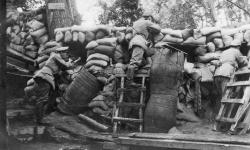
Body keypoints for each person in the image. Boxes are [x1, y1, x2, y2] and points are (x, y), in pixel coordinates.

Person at [24, 47, 78, 123]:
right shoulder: (56, 56)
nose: (66, 55)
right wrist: (71, 62)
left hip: (43, 76)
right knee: (42, 99)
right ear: (61, 52)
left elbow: (63, 68)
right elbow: (66, 65)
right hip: (45, 76)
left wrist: (72, 63)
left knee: (38, 94)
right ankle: (38, 120)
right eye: (65, 53)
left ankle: (27, 98)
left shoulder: (57, 58)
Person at [213, 45, 247, 130]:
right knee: (226, 99)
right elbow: (242, 61)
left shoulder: (224, 52)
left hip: (217, 74)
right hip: (226, 73)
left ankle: (218, 121)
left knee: (221, 98)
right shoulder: (236, 51)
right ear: (238, 46)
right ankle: (223, 124)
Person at [127, 11, 161, 86]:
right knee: (135, 62)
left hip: (135, 42)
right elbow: (158, 29)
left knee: (143, 62)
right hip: (139, 42)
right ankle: (129, 82)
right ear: (149, 17)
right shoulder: (147, 22)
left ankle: (131, 75)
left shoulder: (136, 23)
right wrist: (155, 23)